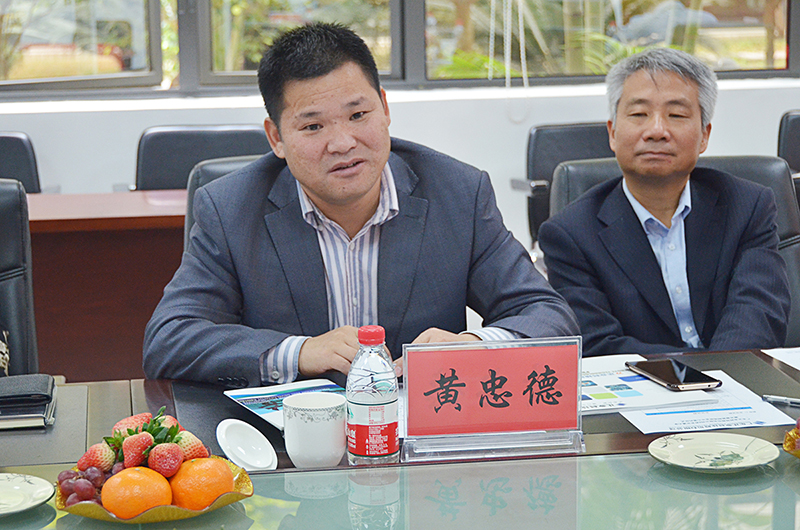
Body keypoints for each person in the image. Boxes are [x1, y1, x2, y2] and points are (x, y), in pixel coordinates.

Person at [143, 22, 578, 387]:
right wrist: (299, 352)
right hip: (288, 444)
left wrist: (475, 346)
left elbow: (548, 315)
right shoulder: (230, 208)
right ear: (276, 137)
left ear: (384, 108)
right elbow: (170, 338)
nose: (342, 143)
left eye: (358, 115)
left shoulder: (458, 193)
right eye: (313, 126)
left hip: (417, 440)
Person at [538, 47, 790, 357]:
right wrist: (697, 373)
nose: (656, 131)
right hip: (641, 384)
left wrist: (717, 376)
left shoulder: (748, 206)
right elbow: (599, 344)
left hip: (738, 378)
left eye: (677, 115)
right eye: (639, 114)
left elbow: (759, 316)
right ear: (613, 133)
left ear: (704, 135)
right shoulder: (571, 234)